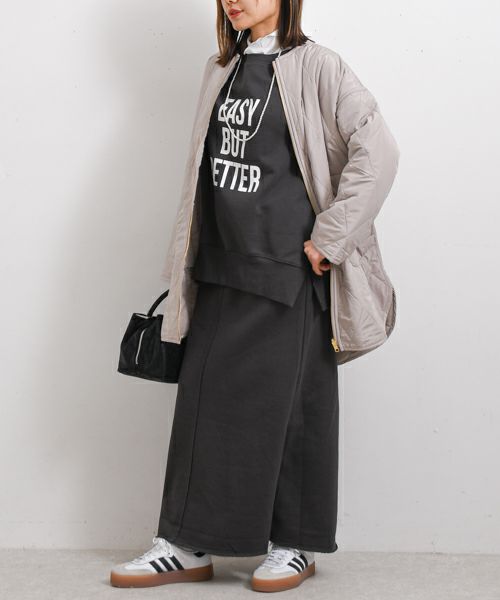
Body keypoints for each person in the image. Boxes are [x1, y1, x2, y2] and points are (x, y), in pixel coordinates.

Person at [110, 0, 399, 593]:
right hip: (220, 264)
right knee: (202, 405)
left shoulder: (319, 66)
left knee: (295, 407)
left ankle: (294, 543)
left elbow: (379, 151)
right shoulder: (221, 67)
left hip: (289, 268)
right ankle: (187, 542)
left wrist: (331, 238)